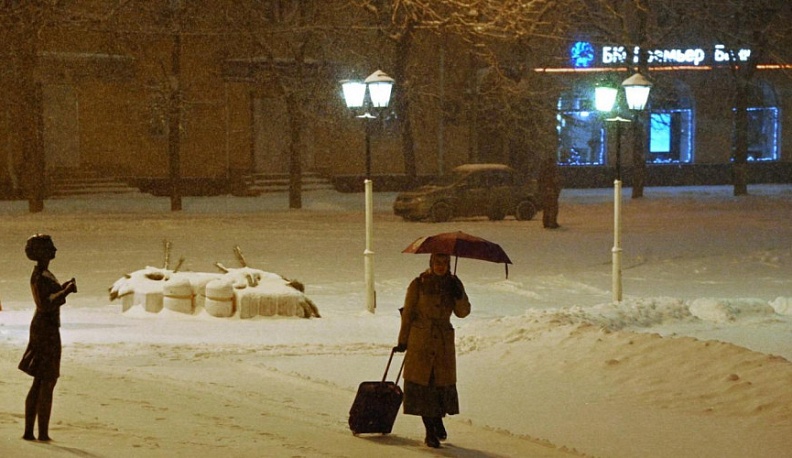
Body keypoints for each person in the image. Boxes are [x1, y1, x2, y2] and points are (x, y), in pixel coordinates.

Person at [394, 253, 470, 448]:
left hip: (443, 343)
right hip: (421, 341)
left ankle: (438, 420)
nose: (441, 267)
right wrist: (403, 341)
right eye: (437, 263)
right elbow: (408, 313)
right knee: (423, 388)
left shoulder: (453, 284)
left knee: (439, 387)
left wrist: (459, 294)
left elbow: (463, 313)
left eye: (444, 263)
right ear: (431, 263)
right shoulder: (418, 284)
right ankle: (430, 432)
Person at [18, 234, 77, 442]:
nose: (54, 250)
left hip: (45, 329)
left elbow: (48, 300)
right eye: (50, 247)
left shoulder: (42, 274)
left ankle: (34, 431)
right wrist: (66, 292)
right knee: (46, 380)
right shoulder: (40, 275)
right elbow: (46, 304)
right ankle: (39, 432)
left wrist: (62, 289)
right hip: (46, 331)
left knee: (41, 381)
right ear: (41, 252)